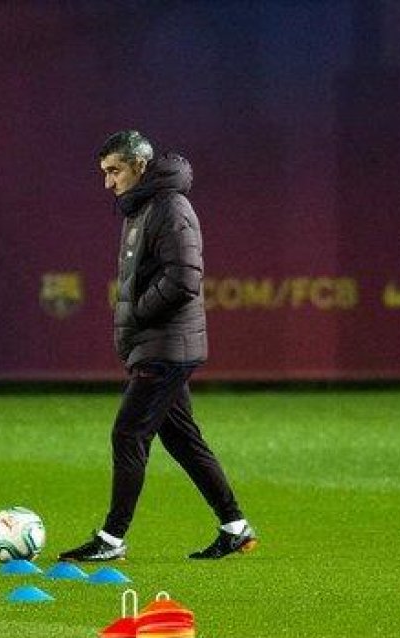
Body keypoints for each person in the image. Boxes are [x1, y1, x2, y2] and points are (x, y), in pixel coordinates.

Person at [58, 130, 256, 562]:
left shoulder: (169, 206)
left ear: (140, 166)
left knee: (128, 433)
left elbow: (185, 279)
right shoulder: (144, 207)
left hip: (167, 347)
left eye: (115, 171)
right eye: (104, 173)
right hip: (159, 344)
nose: (108, 182)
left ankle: (111, 540)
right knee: (182, 439)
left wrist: (139, 312)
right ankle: (235, 526)